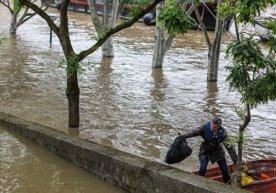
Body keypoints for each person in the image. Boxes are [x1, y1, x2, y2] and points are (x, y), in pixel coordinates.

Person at [183, 117, 238, 183]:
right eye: (211, 125)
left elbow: (230, 147)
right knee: (203, 168)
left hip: (218, 151)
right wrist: (183, 136)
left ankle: (227, 185)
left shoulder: (223, 133)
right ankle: (199, 183)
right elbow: (194, 132)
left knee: (225, 170)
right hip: (205, 150)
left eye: (214, 127)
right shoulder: (204, 128)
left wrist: (235, 160)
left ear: (218, 127)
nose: (212, 128)